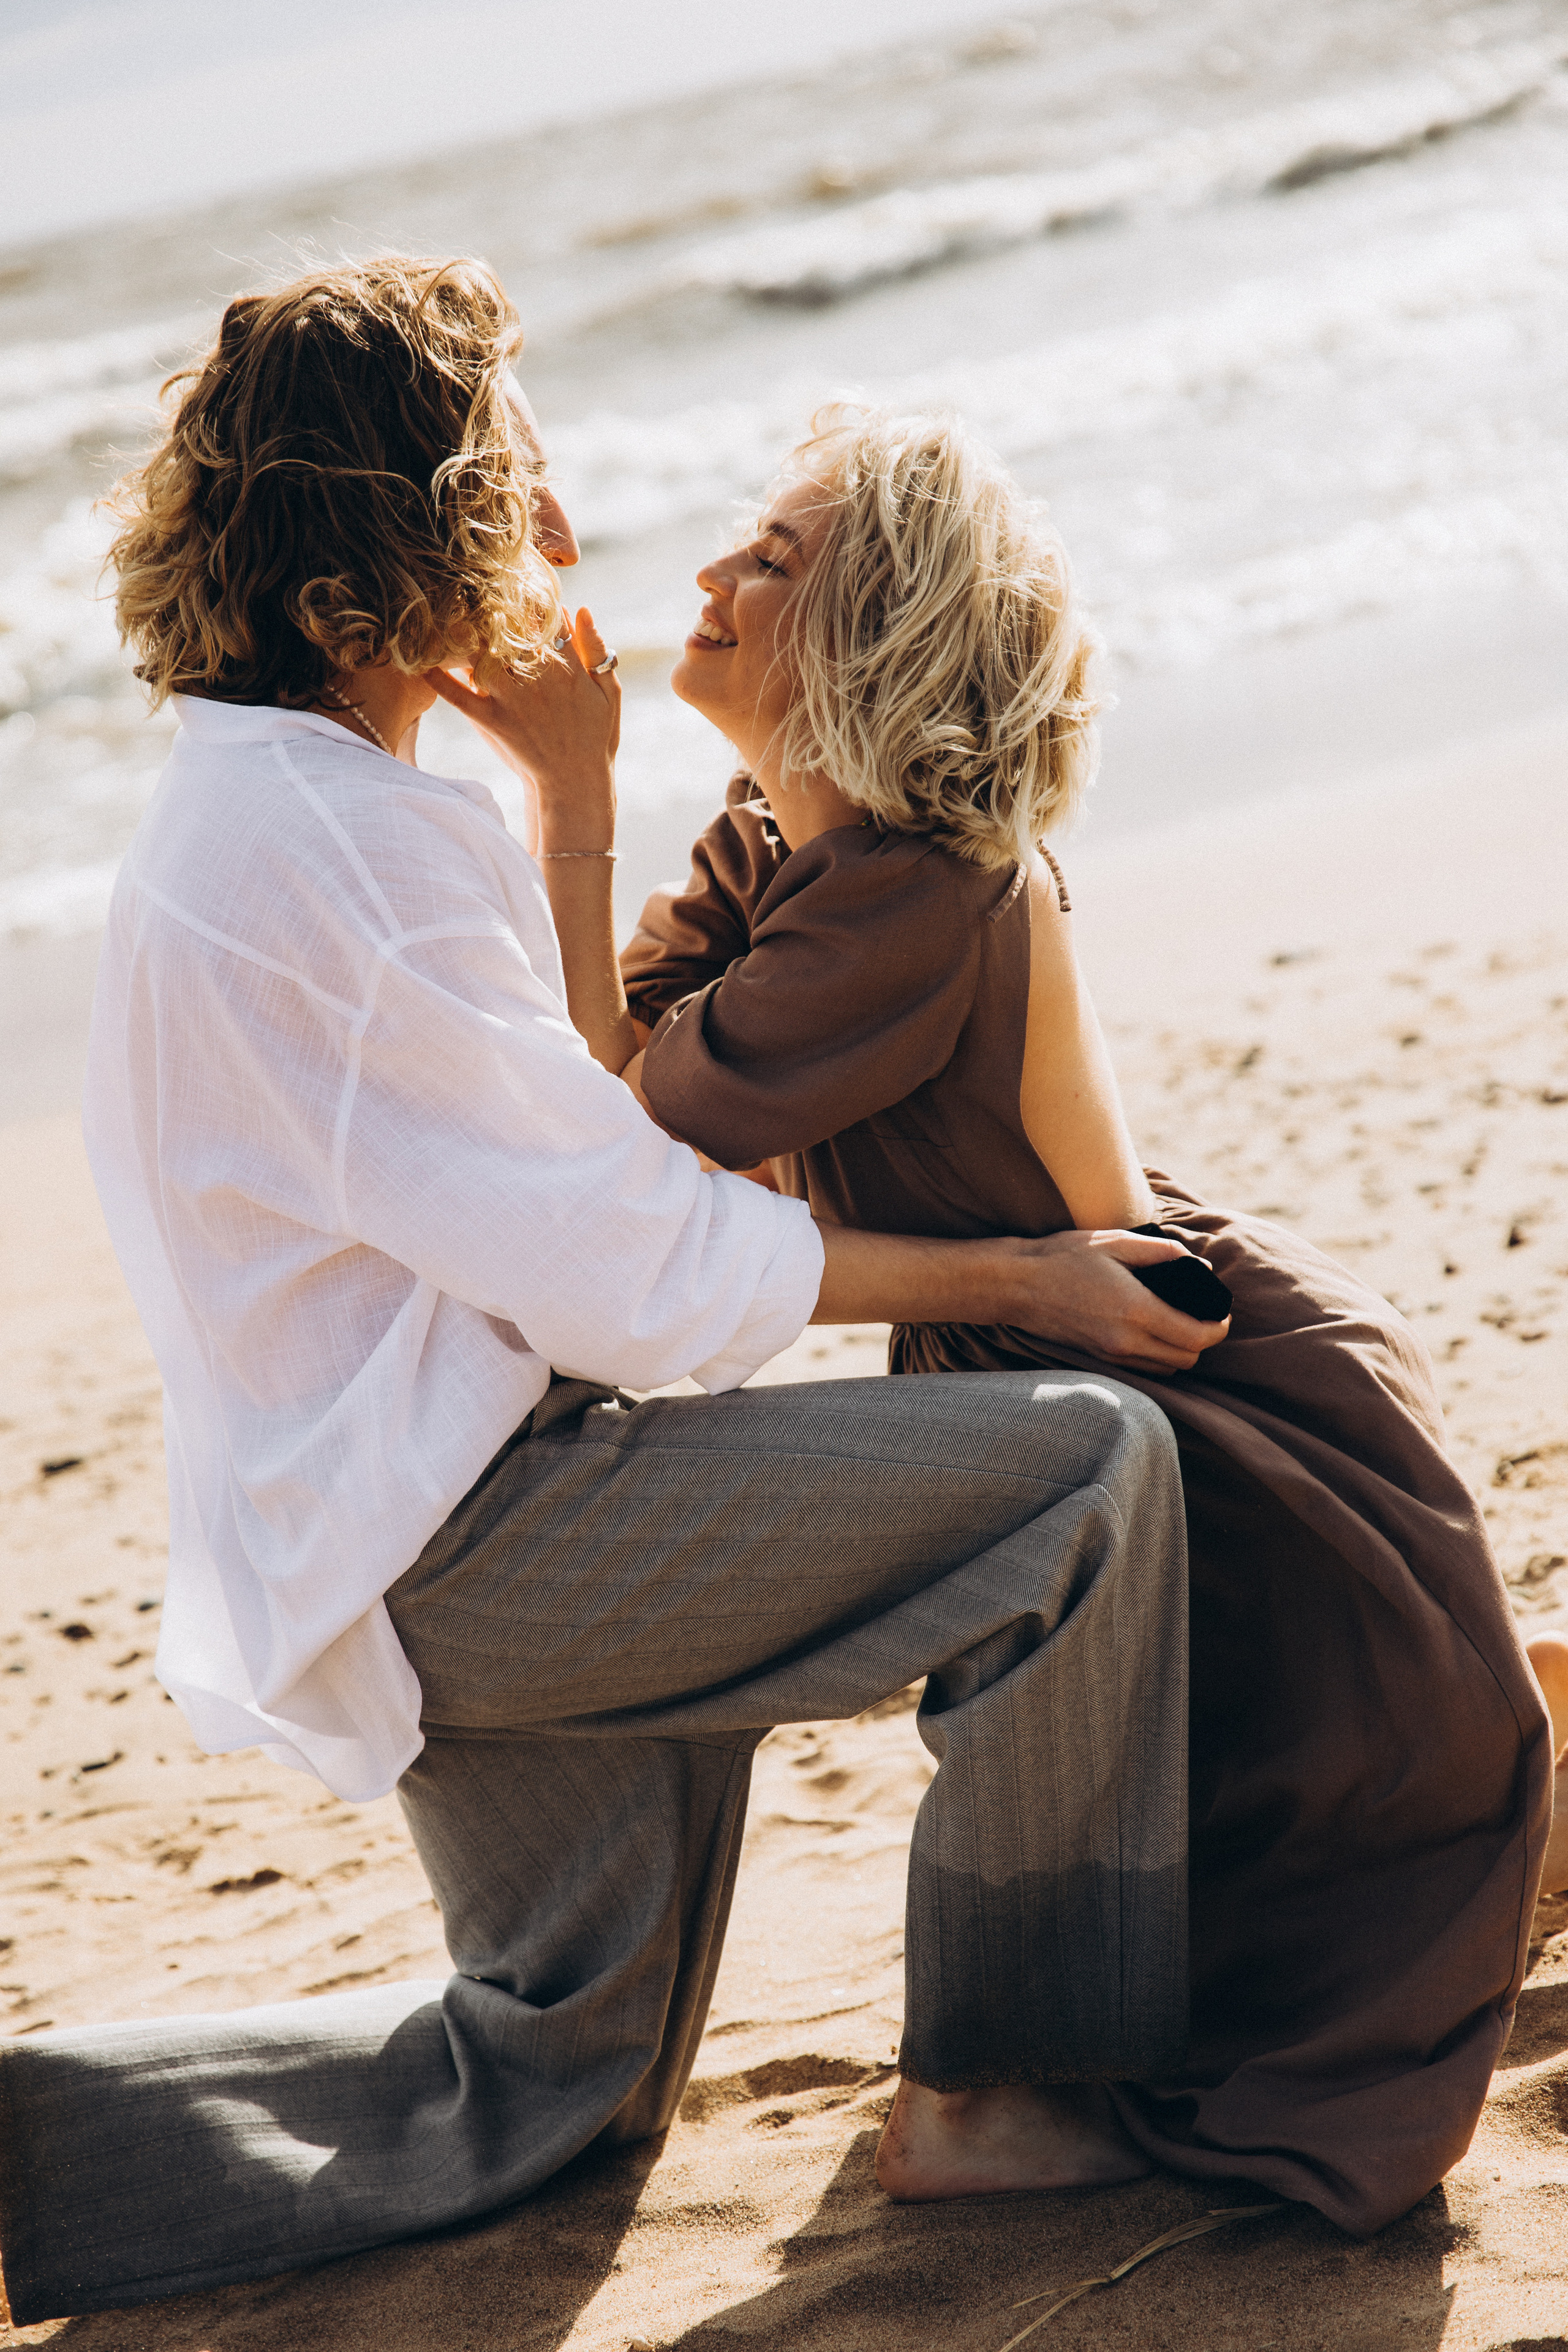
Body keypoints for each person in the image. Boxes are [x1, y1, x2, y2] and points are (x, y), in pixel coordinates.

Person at [0, 262, 1224, 2328]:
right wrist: (1024, 1280)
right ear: (393, 549)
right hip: (472, 1531)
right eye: (516, 491)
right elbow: (644, 1270)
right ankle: (1006, 2092)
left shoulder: (285, 812)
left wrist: (566, 805)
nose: (559, 542)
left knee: (548, 2081)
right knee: (1087, 1483)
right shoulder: (347, 857)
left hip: (391, 1520)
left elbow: (593, 1192)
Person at [606, 405, 1554, 2235]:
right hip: (1071, 1346)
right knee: (1307, 1766)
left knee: (1338, 1777)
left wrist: (563, 801)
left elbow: (621, 1123)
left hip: (1191, 1367)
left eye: (773, 562)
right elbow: (629, 1069)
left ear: (871, 630)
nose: (710, 580)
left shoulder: (905, 879)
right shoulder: (777, 849)